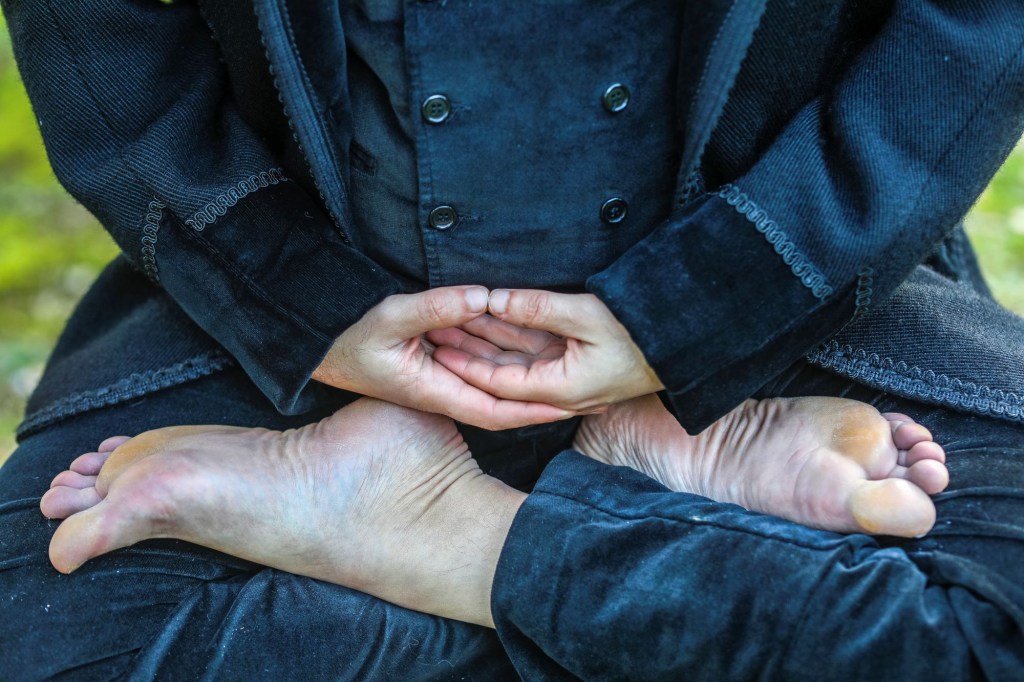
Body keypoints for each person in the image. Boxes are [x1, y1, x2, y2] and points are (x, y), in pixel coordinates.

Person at [2, 0, 1023, 679]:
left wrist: (702, 308)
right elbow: (97, 37)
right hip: (308, 322)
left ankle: (439, 523)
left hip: (784, 300)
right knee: (45, 643)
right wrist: (300, 301)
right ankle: (651, 505)